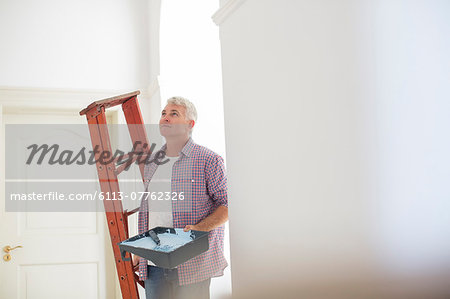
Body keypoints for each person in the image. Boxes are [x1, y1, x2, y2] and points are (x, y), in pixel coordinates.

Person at [133, 96, 229, 299]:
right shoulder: (152, 162)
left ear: (190, 124)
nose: (165, 118)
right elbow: (151, 211)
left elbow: (227, 205)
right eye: (163, 113)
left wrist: (199, 228)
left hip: (191, 263)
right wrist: (140, 252)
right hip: (154, 264)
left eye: (174, 113)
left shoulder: (209, 160)